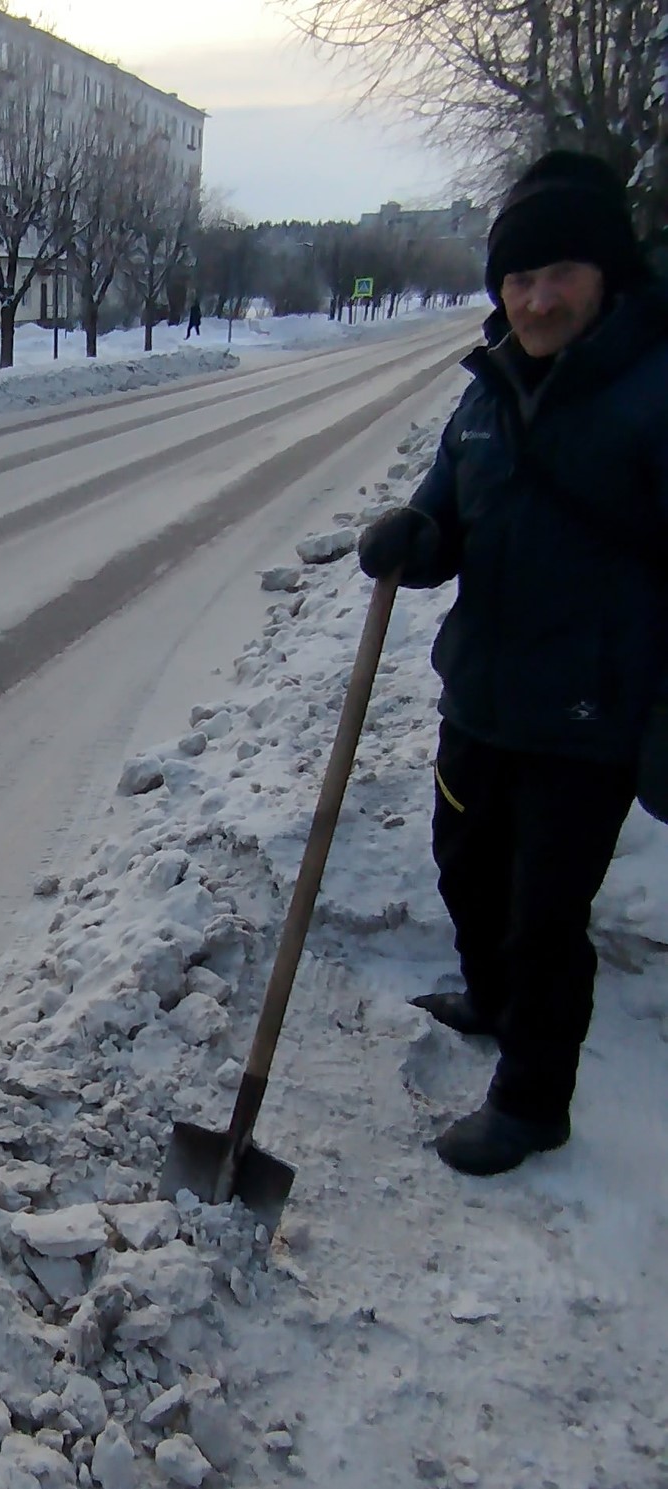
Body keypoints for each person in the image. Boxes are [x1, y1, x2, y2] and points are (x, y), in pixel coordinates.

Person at [358, 150, 668, 1177]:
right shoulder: (488, 388)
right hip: (483, 691)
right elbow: (451, 506)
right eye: (519, 279)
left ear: (606, 275)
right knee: (465, 866)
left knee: (547, 915)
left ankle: (535, 1102)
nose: (536, 299)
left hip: (591, 713)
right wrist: (416, 534)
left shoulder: (654, 389)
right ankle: (488, 998)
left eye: (558, 274)